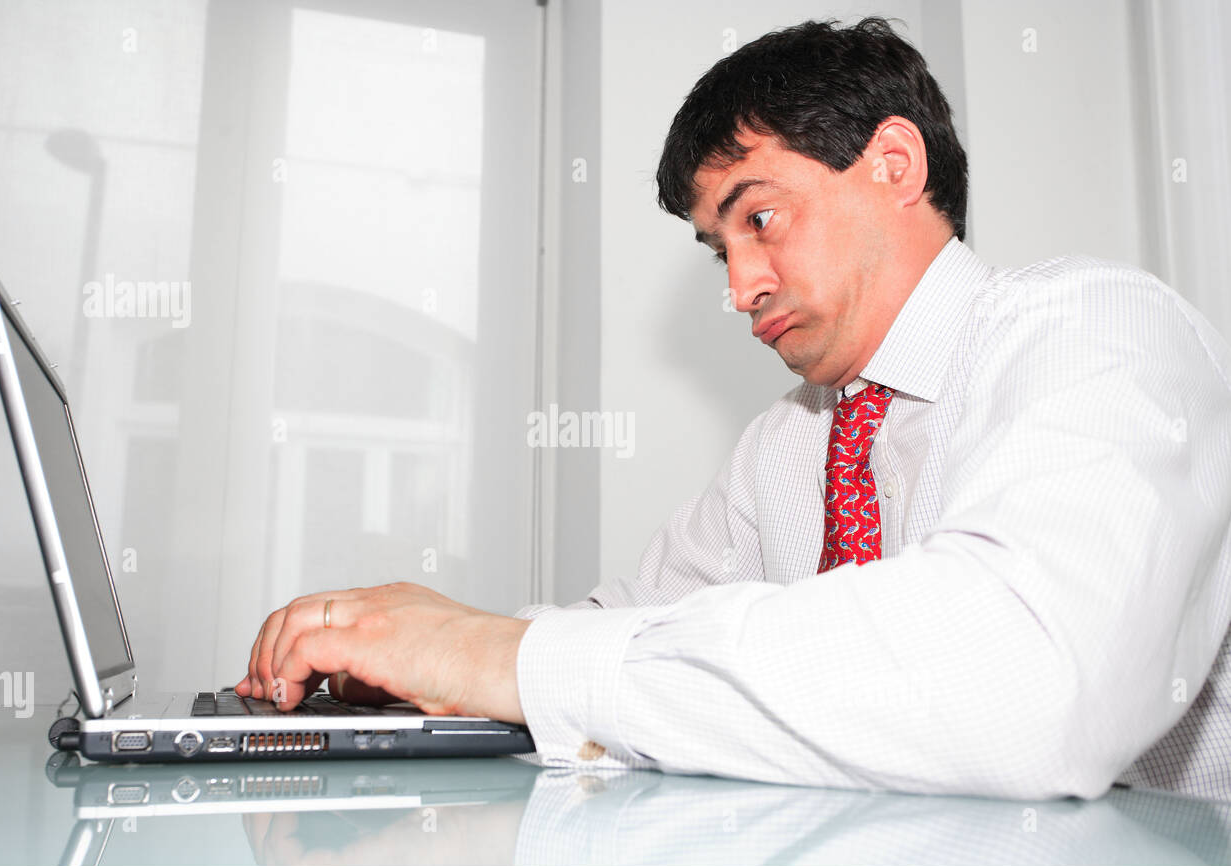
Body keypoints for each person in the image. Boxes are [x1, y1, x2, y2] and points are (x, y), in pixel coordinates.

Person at [234, 18, 1231, 801]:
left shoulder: (1101, 331)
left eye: (759, 217)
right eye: (720, 248)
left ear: (894, 165)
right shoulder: (788, 444)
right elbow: (637, 629)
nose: (739, 285)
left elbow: (1026, 687)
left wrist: (499, 657)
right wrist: (428, 658)